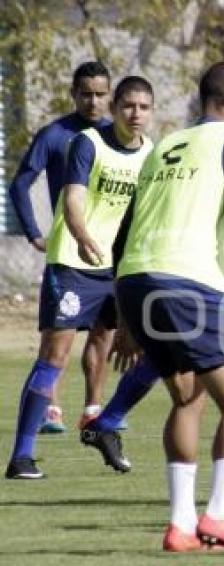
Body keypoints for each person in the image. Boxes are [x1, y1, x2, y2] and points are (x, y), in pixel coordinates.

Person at [111, 62, 224, 554]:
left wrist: (124, 317)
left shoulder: (162, 145)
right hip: (188, 284)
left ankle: (182, 526)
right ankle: (222, 517)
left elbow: (123, 234)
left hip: (136, 282)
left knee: (188, 399)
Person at [5, 76, 155, 480]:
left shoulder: (151, 154)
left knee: (129, 347)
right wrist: (84, 237)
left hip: (119, 269)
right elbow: (72, 199)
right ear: (115, 108)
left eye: (143, 107)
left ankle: (99, 421)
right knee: (54, 355)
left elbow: (143, 217)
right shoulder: (87, 143)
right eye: (128, 106)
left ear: (151, 111)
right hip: (74, 260)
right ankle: (21, 457)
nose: (135, 114)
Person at [7, 61, 115, 433]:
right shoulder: (55, 135)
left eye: (101, 94)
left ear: (110, 95)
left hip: (111, 255)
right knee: (58, 335)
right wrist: (35, 233)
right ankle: (51, 408)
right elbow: (20, 184)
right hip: (69, 253)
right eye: (86, 94)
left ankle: (93, 407)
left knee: (104, 333)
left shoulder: (117, 138)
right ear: (74, 94)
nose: (93, 101)